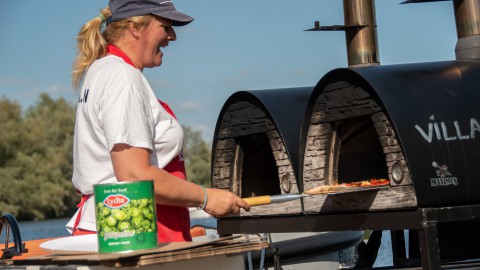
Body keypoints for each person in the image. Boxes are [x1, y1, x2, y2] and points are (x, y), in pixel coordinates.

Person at [66, 0, 250, 242]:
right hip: (128, 235)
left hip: (107, 229)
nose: (172, 36)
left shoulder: (101, 70)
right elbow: (134, 175)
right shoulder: (123, 78)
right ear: (135, 27)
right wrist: (206, 197)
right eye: (166, 26)